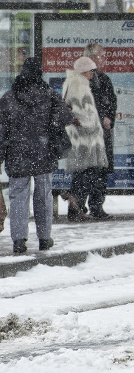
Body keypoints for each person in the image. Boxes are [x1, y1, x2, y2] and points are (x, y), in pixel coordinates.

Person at [0, 57, 73, 253]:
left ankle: (18, 239)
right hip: (43, 152)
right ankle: (44, 237)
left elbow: (2, 129)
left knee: (18, 196)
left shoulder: (8, 97)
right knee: (43, 196)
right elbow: (66, 118)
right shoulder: (49, 95)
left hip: (17, 154)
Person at [63, 56, 109, 222]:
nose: (92, 74)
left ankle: (75, 204)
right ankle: (77, 204)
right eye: (90, 71)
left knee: (83, 172)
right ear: (83, 71)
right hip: (85, 138)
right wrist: (93, 126)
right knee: (86, 173)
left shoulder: (73, 82)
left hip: (80, 137)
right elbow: (82, 112)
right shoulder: (79, 85)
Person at [84, 43, 117, 219]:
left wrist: (109, 118)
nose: (103, 59)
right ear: (91, 57)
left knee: (101, 170)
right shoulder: (80, 81)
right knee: (86, 170)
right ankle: (79, 206)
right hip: (87, 134)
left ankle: (97, 205)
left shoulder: (104, 79)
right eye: (100, 56)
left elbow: (112, 102)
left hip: (102, 133)